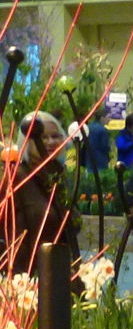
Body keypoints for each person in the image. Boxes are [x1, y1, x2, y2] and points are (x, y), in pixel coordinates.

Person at [9, 111, 80, 275]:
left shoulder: (59, 174)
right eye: (42, 137)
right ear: (27, 141)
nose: (50, 142)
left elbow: (73, 223)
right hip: (29, 279)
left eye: (55, 136)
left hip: (60, 272)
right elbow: (14, 239)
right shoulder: (18, 178)